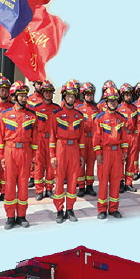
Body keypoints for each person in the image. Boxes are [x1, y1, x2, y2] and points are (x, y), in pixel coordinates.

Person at [0, 81, 39, 230]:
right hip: (10, 151)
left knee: (23, 185)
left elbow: (35, 140)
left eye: (25, 95)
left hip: (25, 153)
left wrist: (33, 158)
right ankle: (10, 217)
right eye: (20, 95)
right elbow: (0, 139)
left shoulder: (32, 116)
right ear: (14, 97)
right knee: (9, 185)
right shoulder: (5, 115)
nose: (23, 98)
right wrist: (2, 157)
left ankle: (21, 216)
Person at [50, 81, 85, 223]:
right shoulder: (56, 114)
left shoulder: (79, 115)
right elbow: (52, 136)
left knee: (73, 179)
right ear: (64, 96)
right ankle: (59, 210)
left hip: (74, 149)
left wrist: (81, 155)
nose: (71, 98)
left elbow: (82, 137)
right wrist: (52, 155)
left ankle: (70, 209)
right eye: (68, 96)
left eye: (73, 96)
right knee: (59, 180)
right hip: (61, 147)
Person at [93, 87, 127, 219]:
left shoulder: (121, 118)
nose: (113, 103)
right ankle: (102, 209)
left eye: (115, 100)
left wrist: (124, 151)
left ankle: (113, 208)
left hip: (117, 153)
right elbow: (96, 137)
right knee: (103, 182)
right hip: (105, 153)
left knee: (115, 182)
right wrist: (98, 153)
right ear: (106, 102)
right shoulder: (100, 118)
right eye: (110, 101)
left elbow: (124, 137)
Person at [32, 80, 59, 200]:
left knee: (51, 165)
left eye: (50, 92)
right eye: (46, 92)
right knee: (39, 165)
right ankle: (39, 190)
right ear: (42, 93)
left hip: (52, 140)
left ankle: (49, 189)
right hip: (40, 139)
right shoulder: (37, 108)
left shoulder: (57, 109)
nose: (48, 94)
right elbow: (33, 126)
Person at [76, 82, 99, 197]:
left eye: (91, 94)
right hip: (82, 138)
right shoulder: (78, 109)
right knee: (81, 162)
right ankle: (81, 186)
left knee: (91, 162)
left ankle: (89, 186)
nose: (90, 96)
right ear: (83, 95)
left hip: (93, 138)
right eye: (87, 94)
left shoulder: (96, 109)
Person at [118, 83, 140, 192]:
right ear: (122, 95)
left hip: (132, 136)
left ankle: (129, 183)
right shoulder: (118, 108)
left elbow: (137, 123)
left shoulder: (134, 108)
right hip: (122, 136)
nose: (128, 97)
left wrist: (135, 135)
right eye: (126, 95)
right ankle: (120, 182)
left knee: (131, 161)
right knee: (121, 160)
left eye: (130, 95)